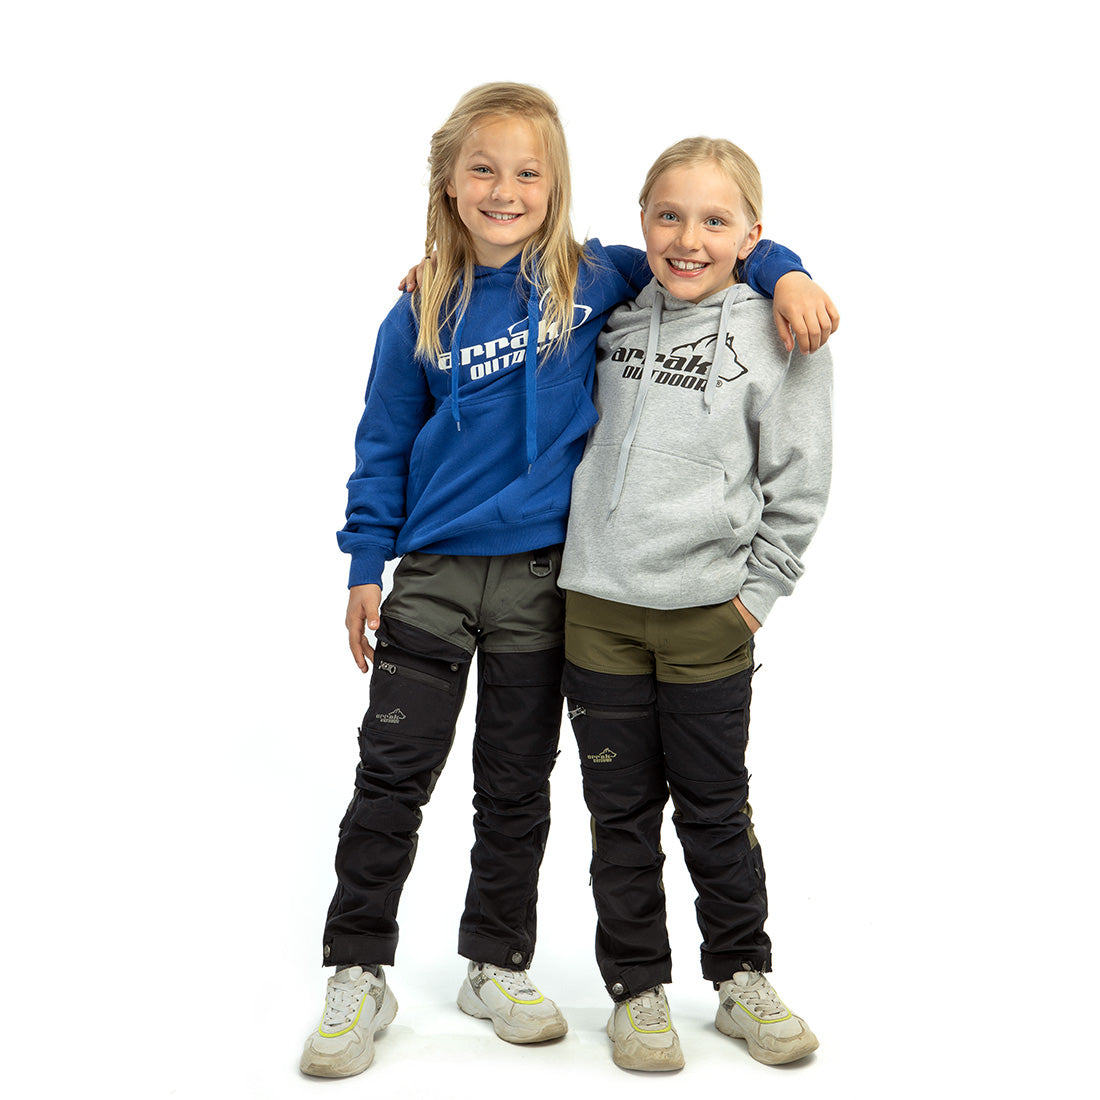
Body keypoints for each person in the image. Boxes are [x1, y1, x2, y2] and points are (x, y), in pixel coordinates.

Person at [301, 85, 837, 1078]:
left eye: (527, 173)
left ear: (556, 188)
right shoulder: (418, 307)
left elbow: (717, 247)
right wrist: (364, 563)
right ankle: (357, 969)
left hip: (548, 582)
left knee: (515, 787)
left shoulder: (597, 278)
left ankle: (494, 962)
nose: (504, 190)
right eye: (482, 170)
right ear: (448, 184)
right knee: (391, 776)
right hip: (435, 574)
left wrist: (790, 269)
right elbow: (380, 444)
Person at [558, 136, 833, 1072]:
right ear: (642, 222)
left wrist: (753, 598)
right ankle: (636, 990)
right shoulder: (611, 311)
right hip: (596, 612)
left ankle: (742, 976)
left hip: (708, 616)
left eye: (715, 222)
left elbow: (800, 481)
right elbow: (525, 266)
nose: (688, 239)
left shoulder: (779, 329)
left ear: (752, 236)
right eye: (669, 216)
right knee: (619, 815)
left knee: (715, 807)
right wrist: (440, 271)